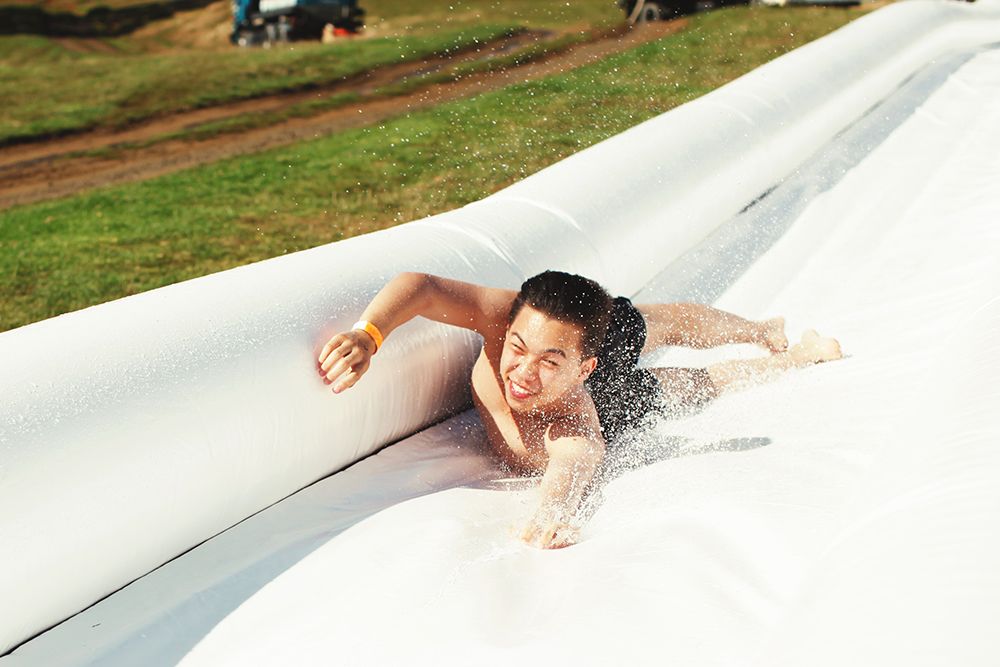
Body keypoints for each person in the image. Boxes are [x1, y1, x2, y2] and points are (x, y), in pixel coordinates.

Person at [317, 271, 842, 549]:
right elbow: (423, 287)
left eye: (546, 362)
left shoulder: (574, 418)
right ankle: (776, 343)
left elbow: (573, 463)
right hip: (579, 346)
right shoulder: (502, 316)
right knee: (674, 373)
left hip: (600, 385)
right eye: (517, 348)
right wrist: (368, 336)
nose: (523, 374)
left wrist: (551, 514)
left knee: (669, 338)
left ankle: (768, 339)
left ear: (581, 366)